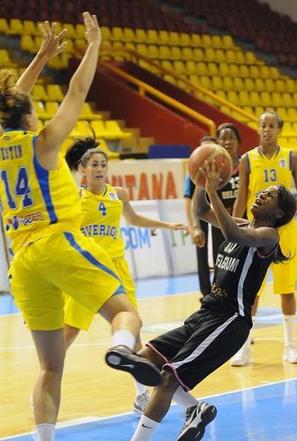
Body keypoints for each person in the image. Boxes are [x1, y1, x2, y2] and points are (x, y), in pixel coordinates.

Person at [0, 13, 160, 441]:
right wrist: (94, 45)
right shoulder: (44, 143)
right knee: (126, 313)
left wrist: (38, 58)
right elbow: (77, 89)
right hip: (57, 241)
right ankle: (121, 350)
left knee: (50, 367)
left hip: (23, 262)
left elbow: (9, 102)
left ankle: (43, 439)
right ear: (31, 118)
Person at [130, 150, 297, 441]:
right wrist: (199, 181)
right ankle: (195, 410)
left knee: (169, 378)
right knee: (145, 359)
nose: (260, 195)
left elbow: (232, 235)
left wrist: (212, 192)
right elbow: (200, 212)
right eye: (262, 191)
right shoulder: (243, 223)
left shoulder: (269, 236)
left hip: (230, 320)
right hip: (206, 313)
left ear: (278, 213)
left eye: (269, 195)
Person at [63, 140, 189, 415]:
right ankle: (49, 377)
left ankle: (140, 395)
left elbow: (134, 220)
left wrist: (168, 224)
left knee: (133, 329)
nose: (99, 169)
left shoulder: (117, 194)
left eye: (103, 165)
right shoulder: (75, 198)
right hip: (87, 270)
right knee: (68, 331)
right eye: (93, 165)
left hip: (117, 269)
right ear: (82, 170)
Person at [232, 111, 297, 366]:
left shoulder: (291, 157)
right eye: (263, 125)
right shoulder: (248, 159)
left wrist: (285, 216)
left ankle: (290, 345)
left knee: (286, 289)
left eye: (271, 125)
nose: (267, 130)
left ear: (279, 129)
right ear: (258, 129)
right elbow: (241, 198)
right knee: (252, 291)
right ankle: (244, 349)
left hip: (286, 231)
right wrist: (233, 226)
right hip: (255, 232)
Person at [185, 125, 242, 299]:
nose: (227, 142)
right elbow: (191, 201)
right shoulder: (202, 171)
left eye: (231, 137)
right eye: (223, 138)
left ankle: (232, 295)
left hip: (236, 220)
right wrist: (195, 226)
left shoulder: (241, 164)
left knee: (234, 263)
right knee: (213, 260)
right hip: (213, 218)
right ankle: (209, 295)